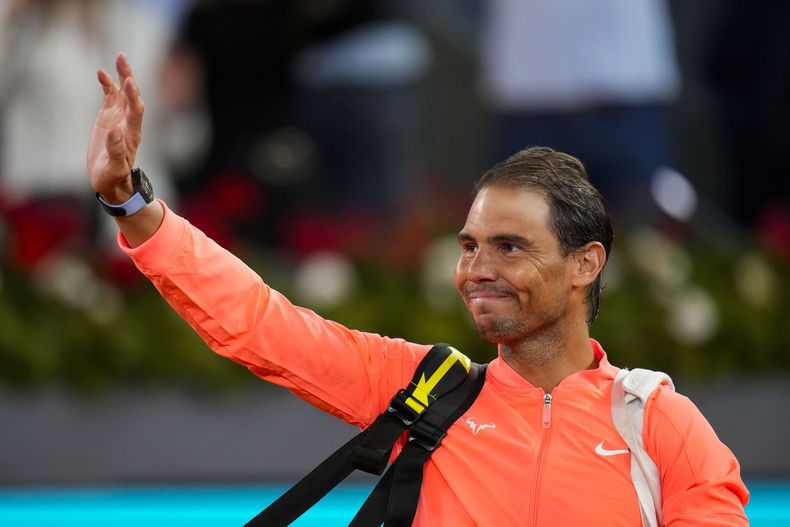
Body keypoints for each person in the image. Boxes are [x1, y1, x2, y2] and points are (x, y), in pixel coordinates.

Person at [87, 53, 749, 526]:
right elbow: (263, 323)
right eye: (469, 246)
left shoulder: (660, 423)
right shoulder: (425, 391)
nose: (477, 268)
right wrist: (131, 206)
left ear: (585, 263)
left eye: (509, 246)